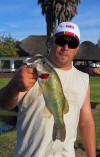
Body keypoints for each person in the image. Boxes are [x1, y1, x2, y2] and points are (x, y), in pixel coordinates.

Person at [0, 22, 96, 157]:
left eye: (72, 43)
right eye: (61, 41)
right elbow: (4, 104)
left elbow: (86, 121)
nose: (65, 47)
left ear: (77, 47)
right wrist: (14, 85)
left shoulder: (83, 79)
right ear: (51, 42)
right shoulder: (31, 70)